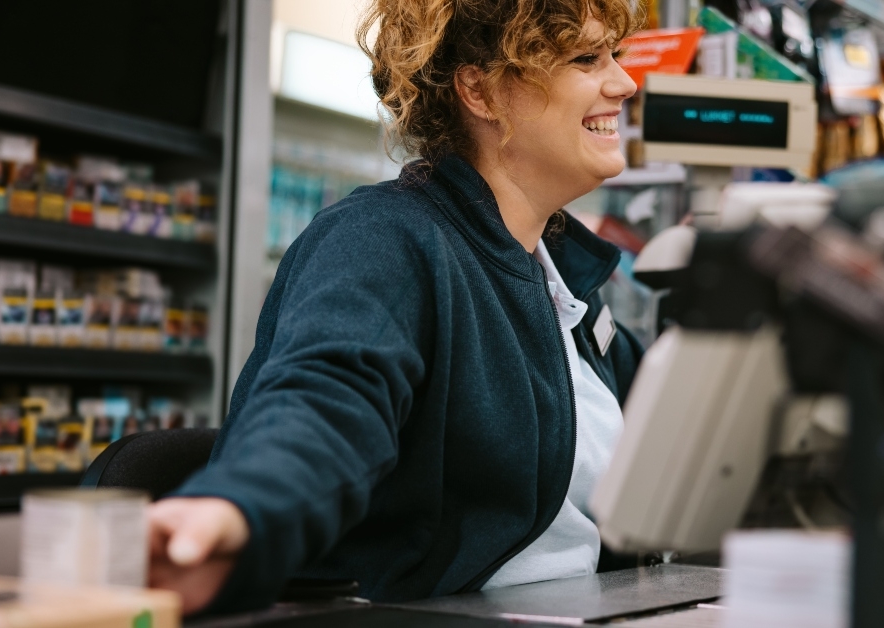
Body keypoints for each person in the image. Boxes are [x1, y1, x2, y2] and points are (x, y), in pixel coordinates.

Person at [147, 0, 643, 614]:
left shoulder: (567, 281)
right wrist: (240, 503)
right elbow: (326, 398)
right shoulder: (385, 239)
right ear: (480, 90)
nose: (623, 82)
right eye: (586, 58)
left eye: (615, 55)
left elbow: (670, 414)